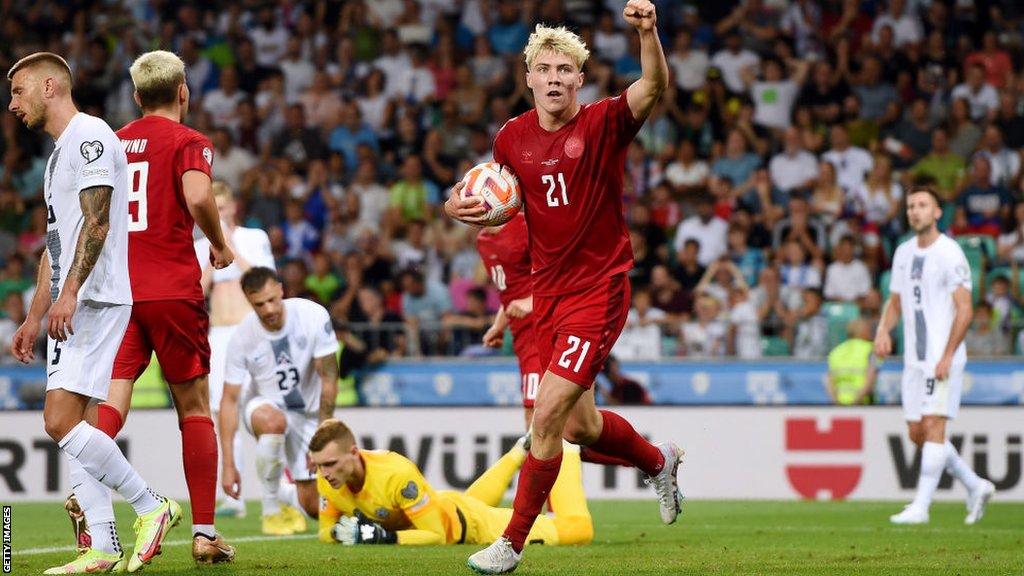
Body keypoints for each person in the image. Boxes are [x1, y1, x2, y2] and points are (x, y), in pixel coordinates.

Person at [445, 4, 683, 572]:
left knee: (545, 418)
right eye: (545, 70)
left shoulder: (602, 123)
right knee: (581, 427)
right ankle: (657, 460)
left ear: (580, 78)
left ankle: (511, 543)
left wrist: (648, 34)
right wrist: (460, 206)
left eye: (565, 71)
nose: (554, 79)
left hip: (598, 290)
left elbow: (652, 85)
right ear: (529, 77)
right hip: (548, 295)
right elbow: (504, 207)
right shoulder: (511, 139)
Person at [65, 50, 237, 566]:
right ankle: (205, 533)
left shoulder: (113, 142)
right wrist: (220, 244)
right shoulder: (189, 141)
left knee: (111, 401)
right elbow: (199, 195)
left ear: (136, 97)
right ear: (184, 91)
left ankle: (89, 500)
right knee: (194, 408)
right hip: (171, 290)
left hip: (118, 293)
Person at [7, 51, 178, 573]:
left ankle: (153, 505)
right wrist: (36, 314)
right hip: (73, 301)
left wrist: (69, 294)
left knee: (58, 421)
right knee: (79, 423)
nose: (12, 104)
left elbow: (98, 224)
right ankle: (101, 546)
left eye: (18, 92)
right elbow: (55, 245)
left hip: (96, 298)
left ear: (50, 87)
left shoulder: (91, 135)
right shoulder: (59, 155)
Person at [874, 185, 996, 525]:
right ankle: (976, 484)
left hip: (942, 358)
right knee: (918, 433)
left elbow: (965, 309)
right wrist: (883, 330)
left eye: (923, 205)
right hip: (913, 360)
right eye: (911, 205)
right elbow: (895, 301)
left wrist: (947, 355)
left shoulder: (950, 253)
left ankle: (921, 507)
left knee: (934, 426)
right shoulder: (902, 253)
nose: (915, 210)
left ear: (937, 212)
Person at [310, 419, 592, 547]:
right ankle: (520, 450)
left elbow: (436, 536)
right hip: (447, 506)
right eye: (319, 465)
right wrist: (341, 533)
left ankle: (564, 444)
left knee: (577, 530)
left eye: (331, 464)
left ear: (353, 453)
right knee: (469, 501)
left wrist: (386, 538)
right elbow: (325, 531)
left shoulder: (395, 474)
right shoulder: (327, 481)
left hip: (474, 527)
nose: (324, 473)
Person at [219, 267, 339, 537]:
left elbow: (329, 377)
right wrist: (228, 464)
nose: (269, 309)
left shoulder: (312, 316)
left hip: (308, 416)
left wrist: (323, 433)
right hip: (264, 408)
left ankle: (284, 494)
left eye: (273, 299)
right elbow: (229, 400)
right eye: (259, 304)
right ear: (249, 302)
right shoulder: (242, 338)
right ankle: (270, 510)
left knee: (314, 507)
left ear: (281, 291)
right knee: (274, 422)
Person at [194, 181, 275, 518]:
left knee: (268, 412)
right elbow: (199, 290)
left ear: (233, 208)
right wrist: (214, 249)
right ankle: (234, 498)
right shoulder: (199, 247)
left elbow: (262, 278)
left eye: (222, 207)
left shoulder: (255, 238)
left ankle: (279, 495)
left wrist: (228, 243)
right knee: (221, 415)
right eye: (213, 209)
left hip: (253, 332)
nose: (219, 213)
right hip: (219, 334)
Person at [476, 212, 541, 428]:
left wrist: (531, 301)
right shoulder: (483, 241)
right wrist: (498, 326)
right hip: (522, 337)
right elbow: (511, 292)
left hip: (543, 330)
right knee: (573, 425)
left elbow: (561, 272)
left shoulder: (526, 224)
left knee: (535, 414)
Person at [826, 319, 877, 405]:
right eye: (869, 331)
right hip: (862, 404)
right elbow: (871, 378)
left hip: (839, 404)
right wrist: (855, 402)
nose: (871, 334)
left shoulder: (835, 351)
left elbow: (829, 380)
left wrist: (836, 402)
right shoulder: (870, 349)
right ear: (862, 332)